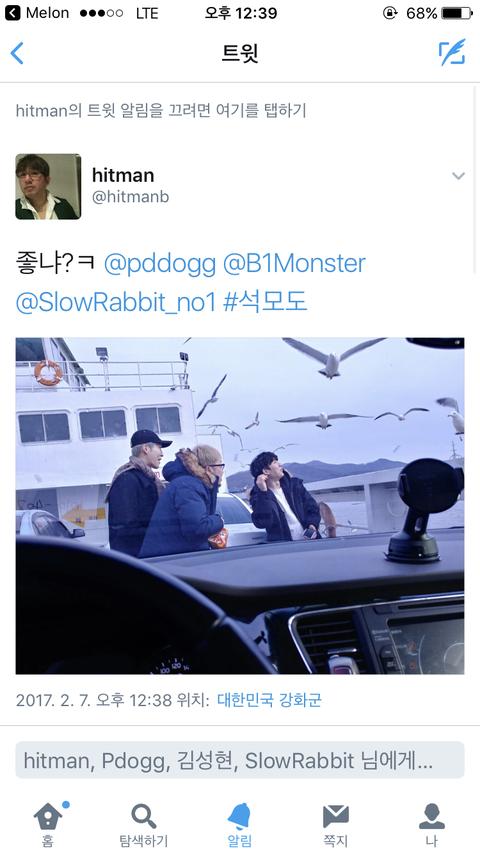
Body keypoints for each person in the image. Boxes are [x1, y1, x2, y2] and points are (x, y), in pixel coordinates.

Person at [139, 445, 224, 557]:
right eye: (221, 465)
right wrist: (219, 521)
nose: (222, 471)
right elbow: (196, 529)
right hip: (169, 561)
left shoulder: (190, 484)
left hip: (174, 557)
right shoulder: (188, 486)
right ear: (209, 469)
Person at [106, 429, 172, 557]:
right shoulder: (127, 480)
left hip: (146, 555)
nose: (162, 454)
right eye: (159, 448)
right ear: (145, 448)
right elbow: (125, 528)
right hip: (135, 559)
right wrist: (162, 532)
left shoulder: (146, 478)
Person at [249, 451, 321, 542]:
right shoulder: (257, 496)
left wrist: (312, 524)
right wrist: (263, 492)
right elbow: (262, 522)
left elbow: (313, 508)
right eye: (275, 462)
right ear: (265, 471)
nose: (280, 464)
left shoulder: (295, 486)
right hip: (283, 546)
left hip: (310, 541)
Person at [15, 154, 78, 220]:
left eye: (34, 173)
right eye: (23, 175)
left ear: (47, 180)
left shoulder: (64, 206)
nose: (27, 180)